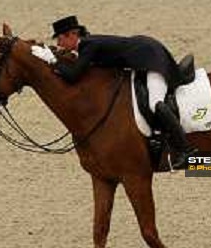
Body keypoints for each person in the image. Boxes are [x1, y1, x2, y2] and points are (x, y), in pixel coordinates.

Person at [31, 15, 197, 169]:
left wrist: (51, 60)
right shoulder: (86, 45)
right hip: (142, 56)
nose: (59, 44)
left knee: (155, 104)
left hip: (152, 59)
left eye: (60, 39)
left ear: (72, 34)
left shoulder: (88, 45)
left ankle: (185, 150)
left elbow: (73, 75)